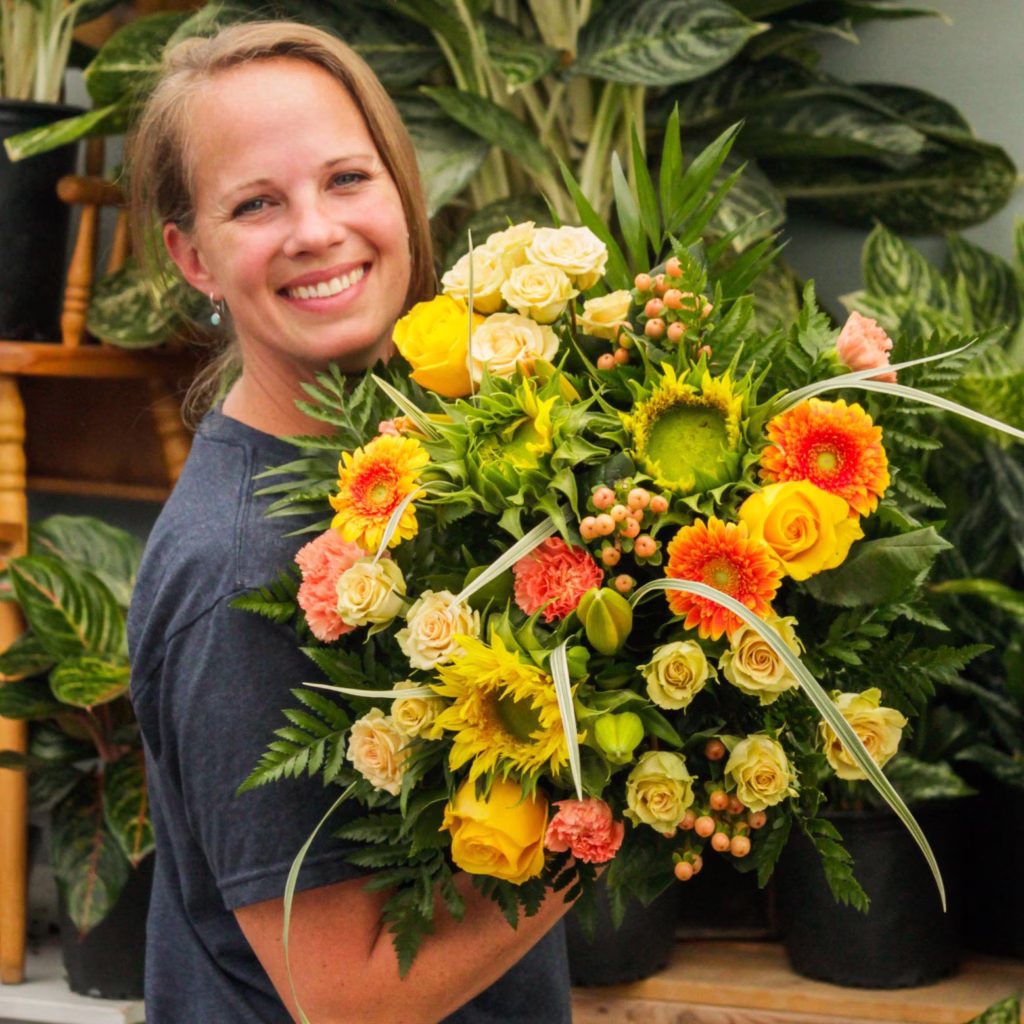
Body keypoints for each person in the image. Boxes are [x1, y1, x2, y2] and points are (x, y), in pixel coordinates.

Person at [126, 21, 573, 1024]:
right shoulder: (239, 568)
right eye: (255, 204)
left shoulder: (416, 460)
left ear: (400, 190)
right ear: (193, 257)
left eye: (345, 179)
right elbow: (348, 1001)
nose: (315, 230)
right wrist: (624, 803)